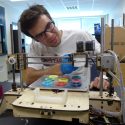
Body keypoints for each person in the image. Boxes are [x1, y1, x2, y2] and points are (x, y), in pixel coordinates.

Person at [19, 4, 109, 90]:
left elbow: (106, 59)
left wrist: (103, 78)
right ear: (35, 39)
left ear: (52, 20)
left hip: (79, 90)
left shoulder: (81, 36)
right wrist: (57, 69)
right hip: (51, 92)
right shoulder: (36, 45)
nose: (50, 35)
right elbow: (29, 79)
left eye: (49, 26)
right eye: (40, 35)